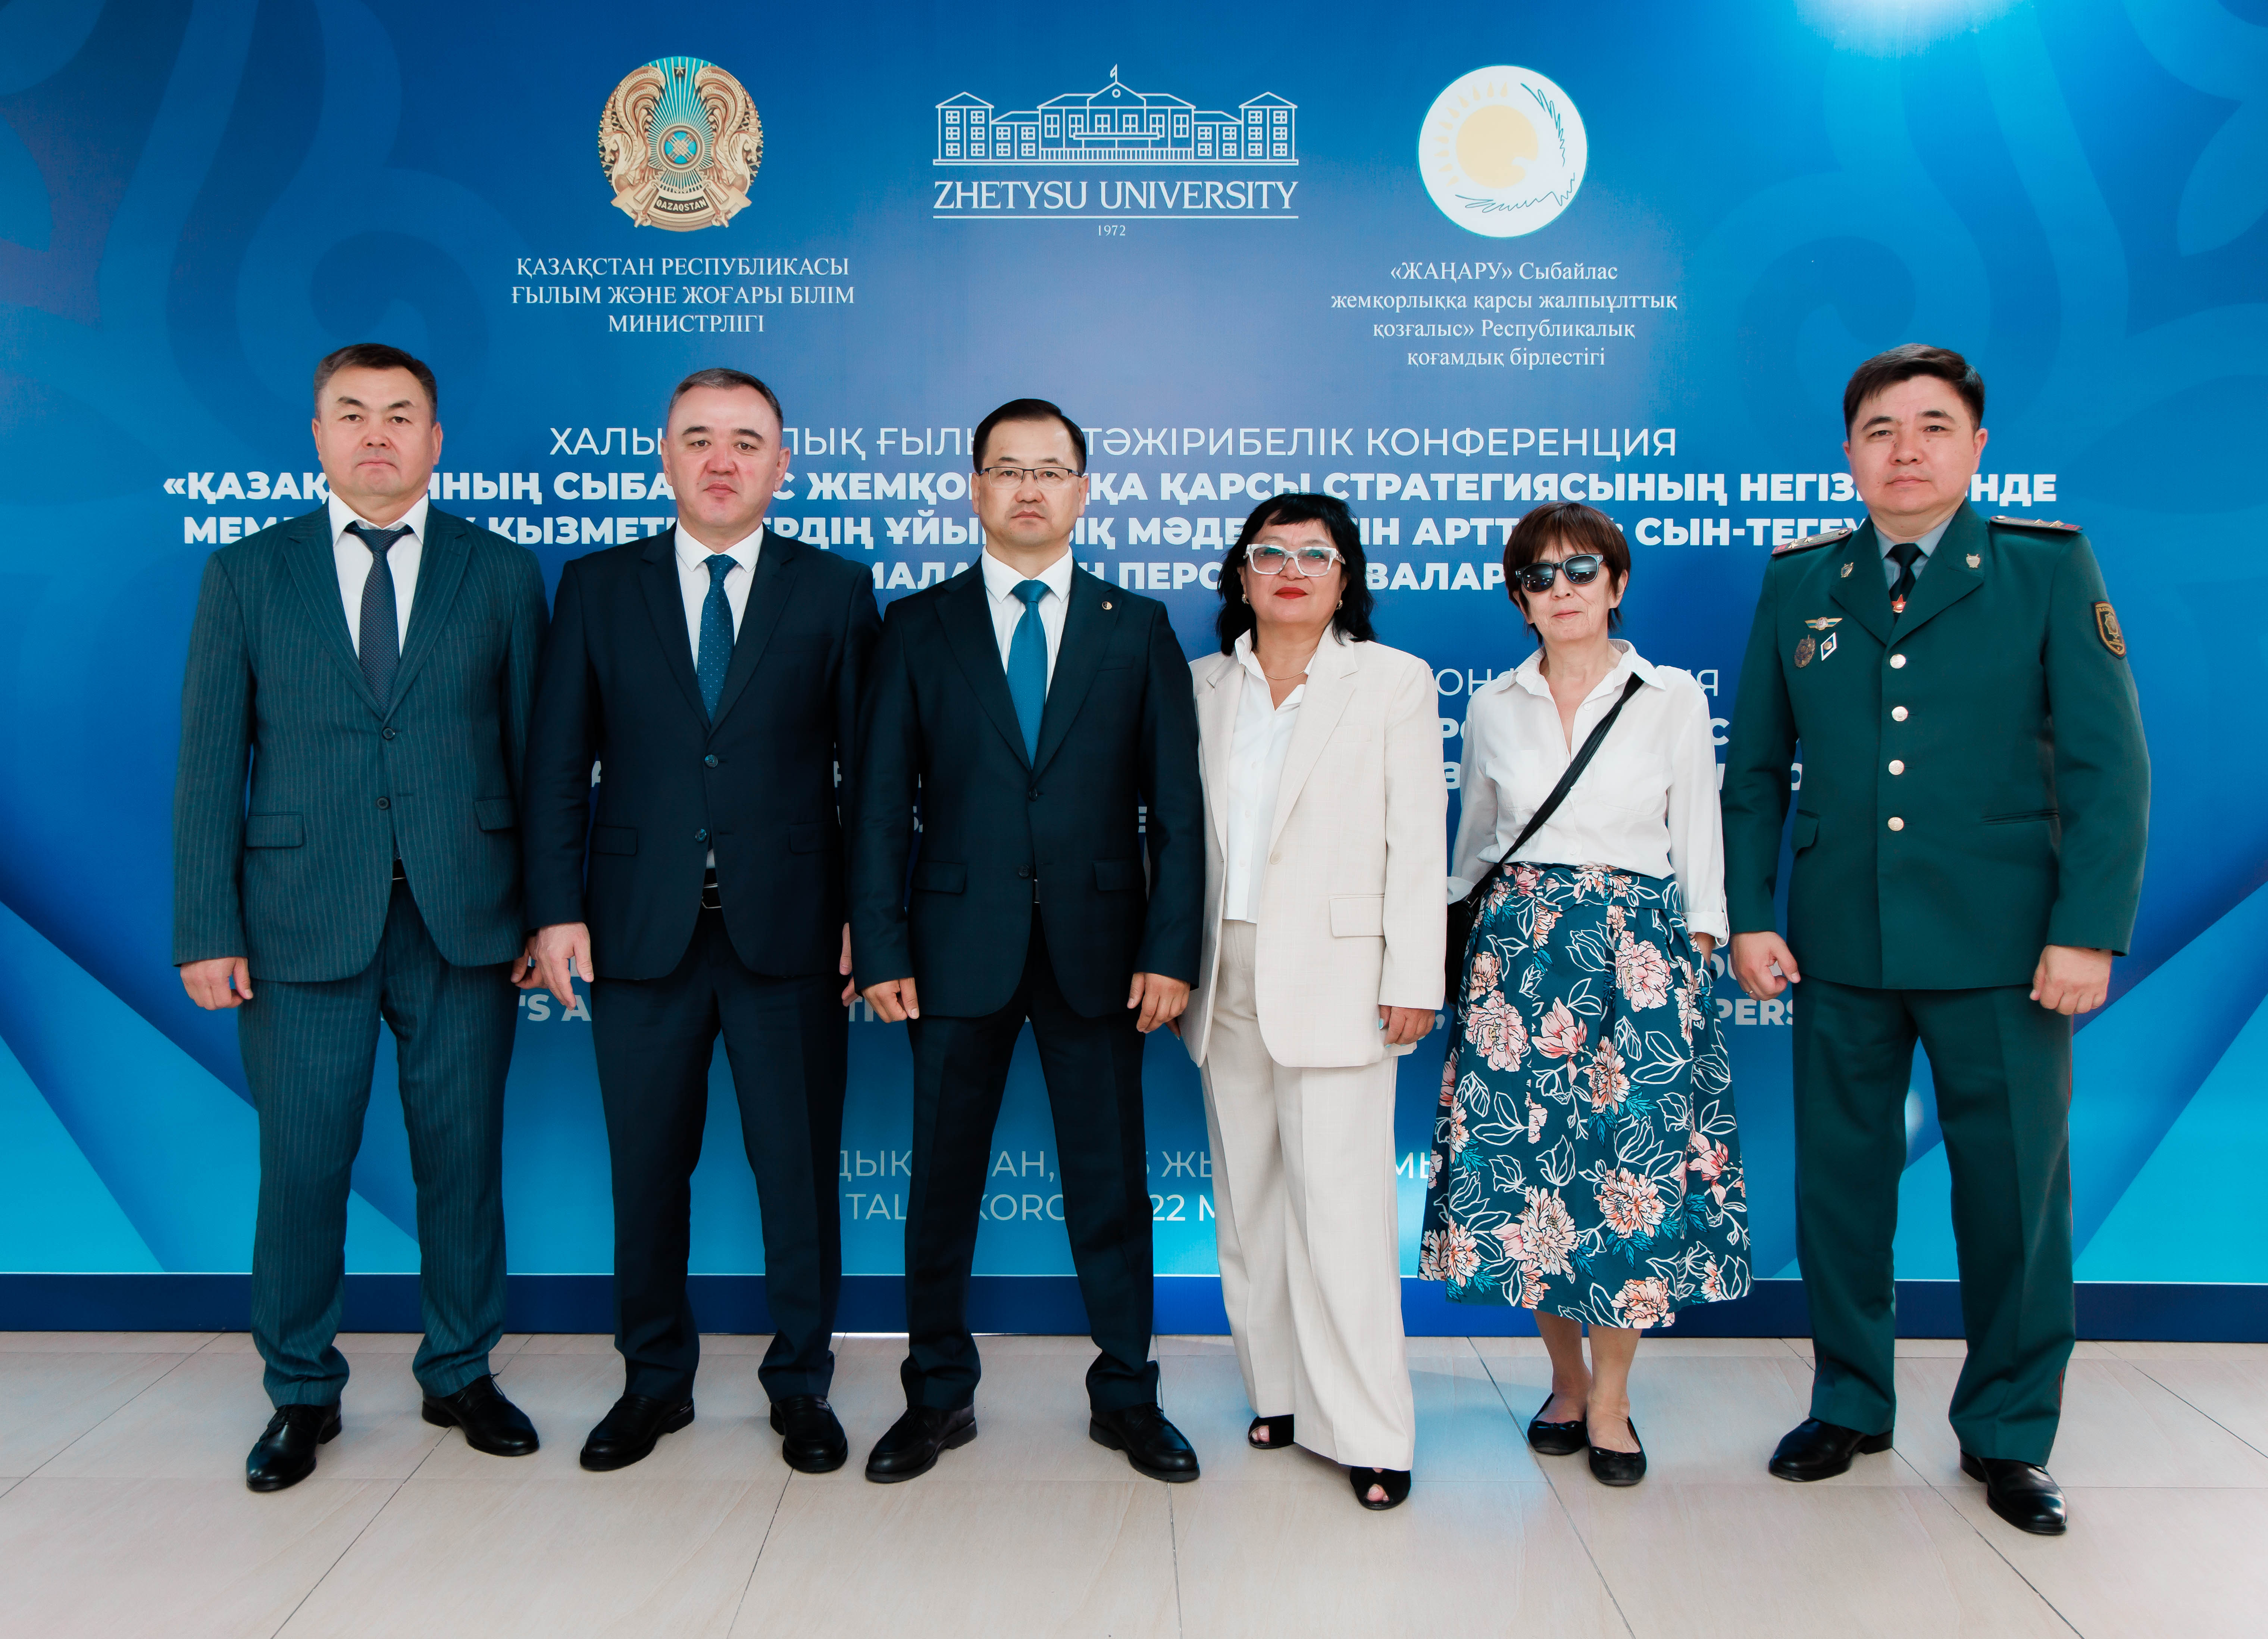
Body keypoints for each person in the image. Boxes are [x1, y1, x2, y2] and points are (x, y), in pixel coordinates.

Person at [1723, 344, 2148, 1535]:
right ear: (1848, 453)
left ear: (1977, 447)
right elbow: (1755, 769)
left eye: (1932, 427)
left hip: (2007, 948)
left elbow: (2110, 771)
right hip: (1841, 943)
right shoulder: (1801, 582)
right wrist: (1751, 912)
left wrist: (2088, 932)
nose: (1905, 451)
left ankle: (2009, 1432)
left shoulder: (2045, 568)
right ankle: (1850, 1404)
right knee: (1841, 1190)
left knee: (2015, 1199)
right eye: (1880, 431)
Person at [174, 342, 549, 1491]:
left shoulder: (500, 572)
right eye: (351, 413)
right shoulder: (249, 574)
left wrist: (547, 913)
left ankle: (461, 1371)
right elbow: (209, 764)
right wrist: (206, 925)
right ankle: (301, 1391)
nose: (376, 434)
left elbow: (538, 762)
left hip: (467, 919)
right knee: (301, 1167)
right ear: (318, 435)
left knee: (462, 1162)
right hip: (298, 924)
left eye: (399, 414)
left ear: (435, 440)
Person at [522, 368, 880, 1475]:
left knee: (798, 1176)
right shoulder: (597, 586)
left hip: (794, 934)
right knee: (646, 1172)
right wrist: (555, 910)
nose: (722, 460)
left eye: (746, 441)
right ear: (666, 456)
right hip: (638, 932)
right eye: (699, 439)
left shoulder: (836, 590)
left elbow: (870, 778)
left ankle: (801, 1385)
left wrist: (869, 917)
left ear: (782, 463)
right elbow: (555, 766)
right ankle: (653, 1382)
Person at [849, 398, 1205, 1485]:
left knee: (1112, 1185)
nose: (1030, 490)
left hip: (1102, 952)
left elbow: (1176, 812)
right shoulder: (918, 625)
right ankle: (936, 1395)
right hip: (953, 949)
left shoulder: (1136, 628)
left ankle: (1128, 1394)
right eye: (1008, 470)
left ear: (1083, 491)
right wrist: (883, 945)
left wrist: (1170, 948)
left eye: (1050, 471)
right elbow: (879, 806)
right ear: (976, 489)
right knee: (942, 1184)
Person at [1419, 501, 1749, 1488]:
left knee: (1627, 1185)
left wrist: (1692, 958)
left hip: (1636, 961)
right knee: (1534, 1185)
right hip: (1518, 965)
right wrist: (1456, 959)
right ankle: (1565, 1384)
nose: (1561, 590)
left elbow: (1699, 838)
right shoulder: (1493, 706)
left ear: (1617, 582)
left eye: (1580, 571)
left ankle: (1613, 1400)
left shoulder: (1671, 697)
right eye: (1539, 576)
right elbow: (1475, 845)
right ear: (1519, 598)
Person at [1179, 493, 1444, 1511]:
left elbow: (1417, 838)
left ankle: (1371, 1431)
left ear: (1346, 579)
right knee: (1251, 1205)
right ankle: (1279, 1394)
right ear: (1240, 576)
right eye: (1270, 553)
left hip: (1341, 975)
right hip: (1224, 970)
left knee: (1342, 1212)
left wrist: (1413, 975)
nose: (1291, 570)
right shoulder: (1203, 684)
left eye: (1315, 556)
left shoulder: (1391, 681)